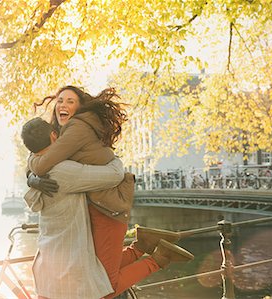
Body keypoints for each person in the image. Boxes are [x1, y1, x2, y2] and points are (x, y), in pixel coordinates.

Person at [27, 86, 194, 298]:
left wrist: (34, 175)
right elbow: (39, 155)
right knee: (96, 273)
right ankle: (143, 244)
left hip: (107, 209)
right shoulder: (63, 132)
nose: (63, 105)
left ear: (80, 107)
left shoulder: (77, 128)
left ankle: (160, 257)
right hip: (98, 207)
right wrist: (31, 177)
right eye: (60, 100)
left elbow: (43, 164)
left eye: (70, 101)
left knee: (106, 289)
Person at [21, 117, 124, 299]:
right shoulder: (64, 170)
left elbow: (32, 160)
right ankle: (153, 258)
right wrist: (113, 157)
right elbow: (115, 175)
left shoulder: (37, 169)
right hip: (71, 264)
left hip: (47, 260)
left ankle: (144, 251)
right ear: (54, 136)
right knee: (107, 286)